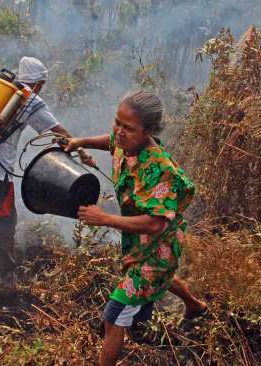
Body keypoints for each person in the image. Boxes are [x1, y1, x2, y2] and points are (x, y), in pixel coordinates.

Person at [64, 91, 208, 365]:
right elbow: (111, 142)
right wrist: (80, 141)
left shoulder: (159, 168)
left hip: (159, 243)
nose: (119, 132)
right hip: (140, 242)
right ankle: (196, 306)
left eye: (127, 128)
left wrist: (104, 218)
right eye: (117, 122)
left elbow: (155, 223)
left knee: (115, 316)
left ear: (149, 131)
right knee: (159, 279)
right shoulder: (126, 143)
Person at [0, 56, 92, 289]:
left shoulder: (4, 88)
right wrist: (81, 152)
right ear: (39, 83)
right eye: (42, 84)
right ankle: (5, 276)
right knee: (4, 220)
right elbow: (58, 131)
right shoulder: (31, 100)